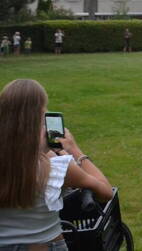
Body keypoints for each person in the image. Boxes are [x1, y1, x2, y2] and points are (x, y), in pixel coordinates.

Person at [0, 78, 114, 249]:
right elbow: (105, 192)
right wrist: (74, 149)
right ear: (41, 117)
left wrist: (42, 150)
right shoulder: (54, 168)